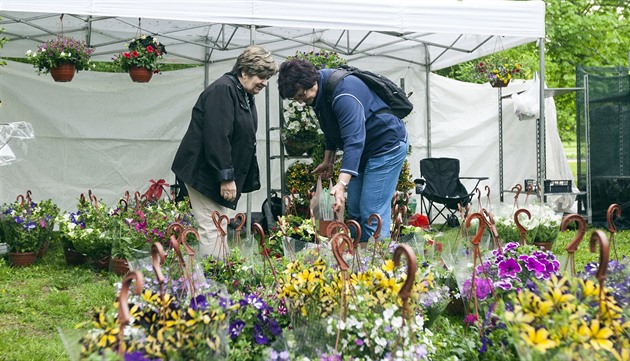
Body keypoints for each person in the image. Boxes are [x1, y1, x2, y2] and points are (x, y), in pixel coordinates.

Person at [277, 59, 408, 242]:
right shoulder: (320, 93)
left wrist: (341, 185)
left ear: (310, 81)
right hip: (364, 150)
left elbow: (354, 140)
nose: (301, 101)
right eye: (296, 98)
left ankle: (379, 263)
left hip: (386, 145)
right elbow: (332, 128)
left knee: (372, 212)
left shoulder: (344, 93)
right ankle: (357, 263)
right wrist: (328, 160)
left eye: (301, 94)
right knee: (354, 211)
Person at [171, 45, 278, 258]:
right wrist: (226, 177)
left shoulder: (242, 93)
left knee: (218, 224)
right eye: (261, 76)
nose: (265, 82)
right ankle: (214, 280)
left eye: (267, 77)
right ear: (245, 71)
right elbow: (217, 136)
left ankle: (222, 274)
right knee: (213, 227)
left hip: (214, 171)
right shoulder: (223, 90)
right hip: (204, 171)